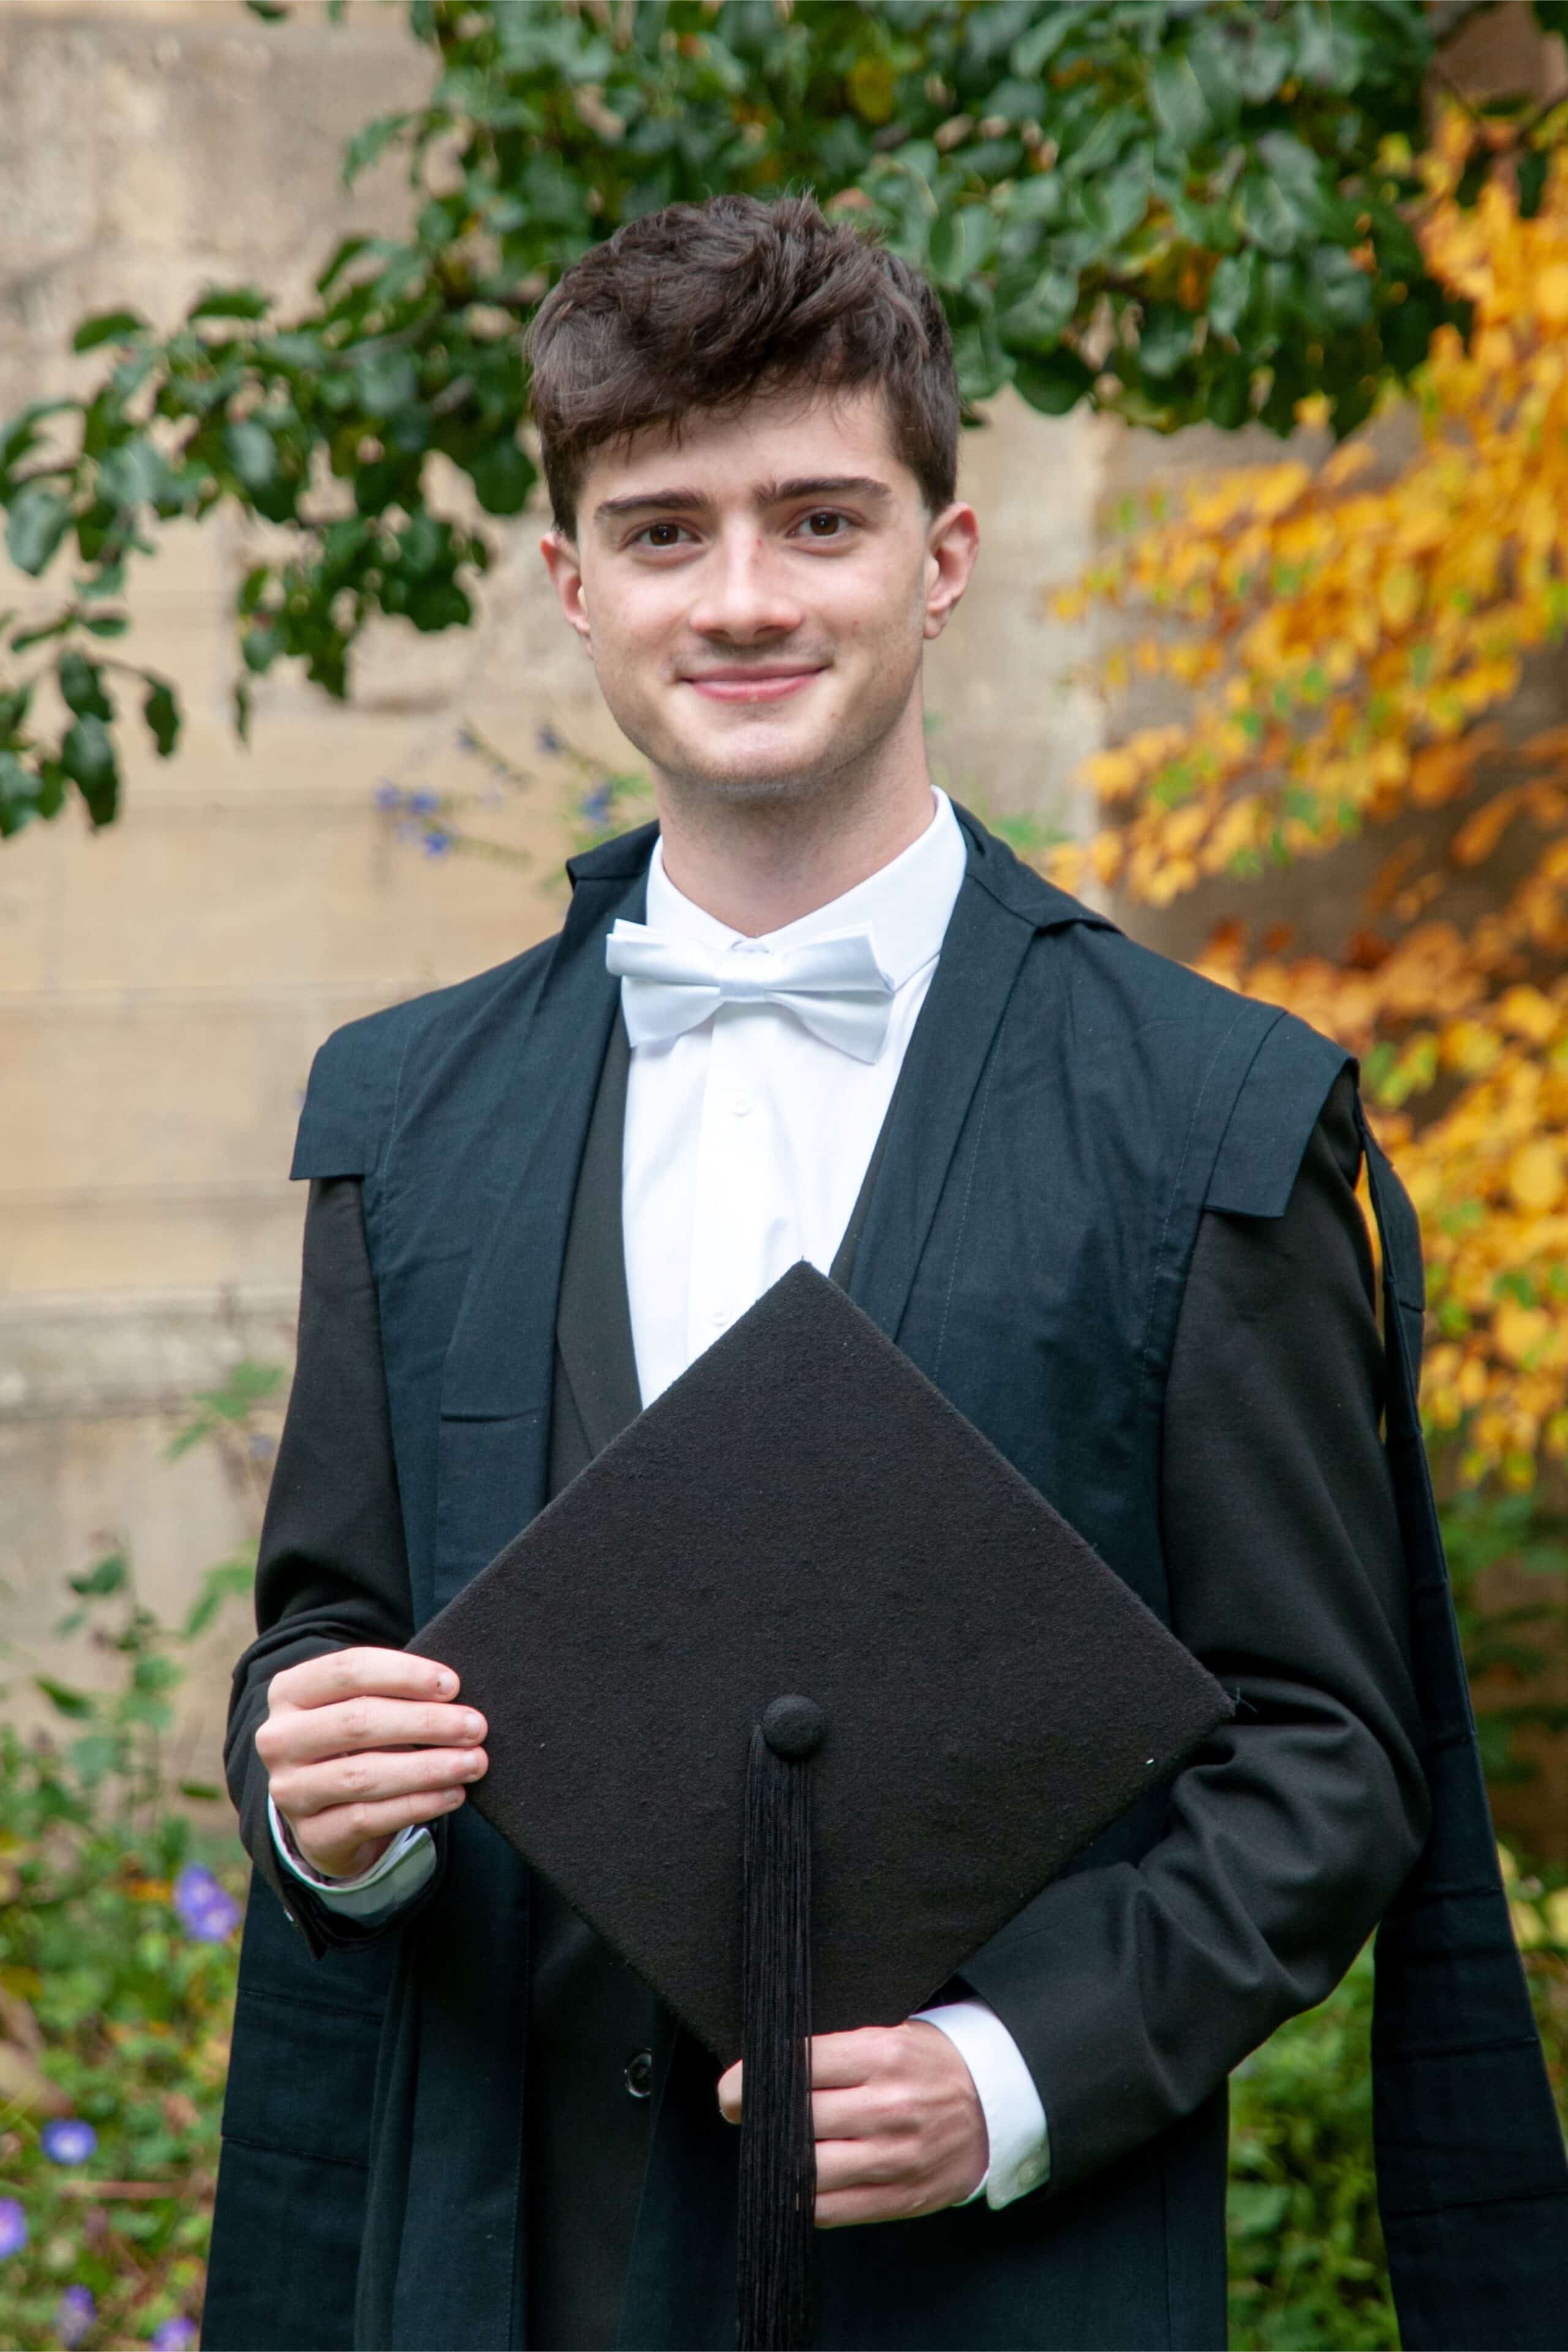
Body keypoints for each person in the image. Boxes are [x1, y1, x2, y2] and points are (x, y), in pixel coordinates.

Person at [202, 195, 1553, 2352]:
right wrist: (323, 1801)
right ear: (573, 588)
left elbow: (1325, 1753)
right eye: (663, 534)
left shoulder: (1215, 1115)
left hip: (1011, 2285)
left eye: (818, 519)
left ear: (941, 559)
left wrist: (1010, 2076)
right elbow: (336, 1638)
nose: (741, 598)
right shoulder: (404, 1115)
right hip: (507, 2266)